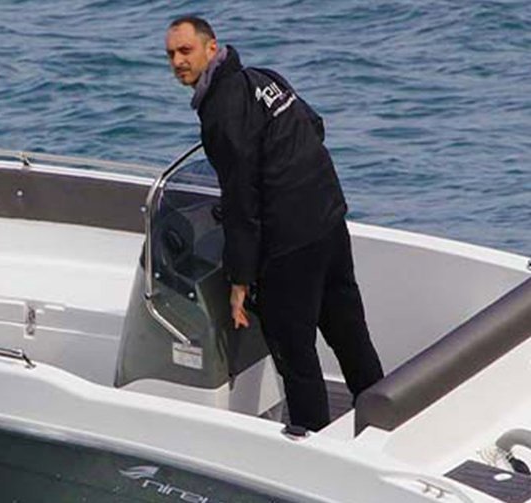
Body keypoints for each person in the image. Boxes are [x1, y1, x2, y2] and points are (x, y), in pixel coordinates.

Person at [164, 16, 384, 432]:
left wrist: (240, 280)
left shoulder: (220, 112)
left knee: (296, 357)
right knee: (351, 335)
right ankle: (385, 426)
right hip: (329, 222)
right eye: (171, 55)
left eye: (186, 51)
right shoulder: (264, 79)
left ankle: (310, 444)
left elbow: (241, 199)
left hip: (290, 245)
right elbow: (314, 126)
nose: (177, 62)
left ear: (212, 48)